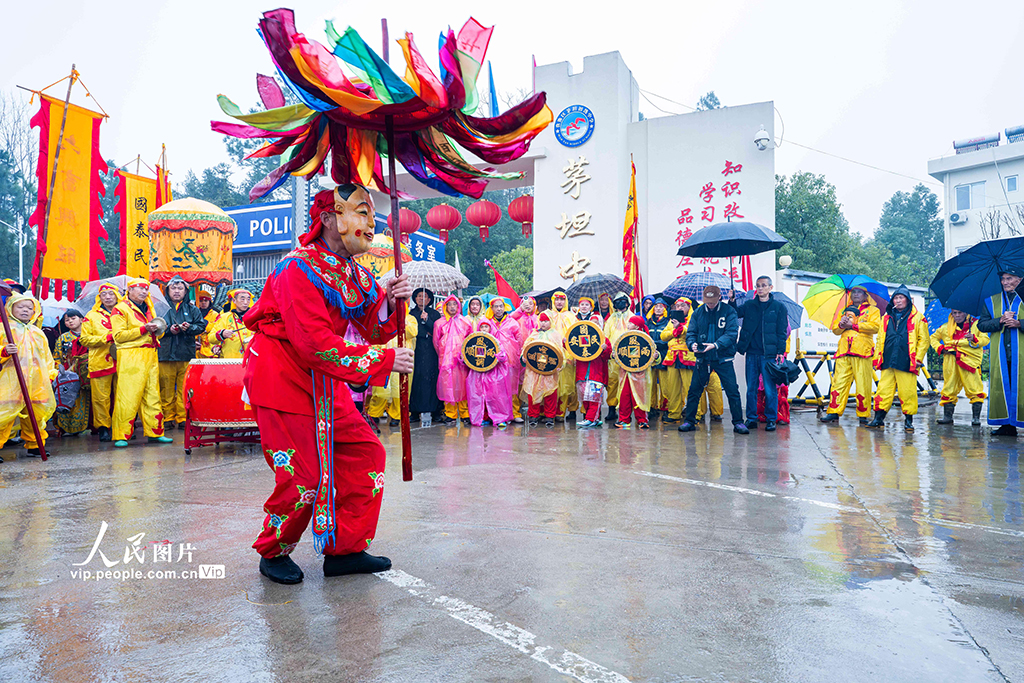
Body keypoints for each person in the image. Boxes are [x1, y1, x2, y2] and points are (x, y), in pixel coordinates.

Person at [242, 183, 414, 585]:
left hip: (323, 381)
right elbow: (314, 344)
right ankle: (274, 549)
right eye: (360, 213)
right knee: (303, 476)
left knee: (365, 454)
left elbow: (373, 328)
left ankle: (345, 549)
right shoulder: (297, 269)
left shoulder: (353, 271)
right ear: (327, 219)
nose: (371, 224)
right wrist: (386, 361)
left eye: (371, 214)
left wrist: (391, 296)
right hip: (282, 374)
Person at [110, 278, 175, 447]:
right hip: (131, 355)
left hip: (150, 354)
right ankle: (121, 435)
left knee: (152, 395)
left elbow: (155, 334)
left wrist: (159, 330)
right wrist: (143, 329)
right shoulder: (120, 309)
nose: (144, 292)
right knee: (128, 396)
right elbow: (118, 337)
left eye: (146, 289)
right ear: (129, 290)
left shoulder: (149, 309)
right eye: (139, 288)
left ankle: (155, 432)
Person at [678, 286, 748, 434]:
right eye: (707, 301)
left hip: (723, 358)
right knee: (694, 390)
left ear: (720, 298)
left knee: (732, 390)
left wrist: (716, 345)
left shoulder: (729, 311)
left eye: (712, 301)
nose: (710, 304)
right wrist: (692, 344)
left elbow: (731, 334)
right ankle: (690, 421)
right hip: (703, 358)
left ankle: (738, 422)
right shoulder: (698, 312)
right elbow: (691, 332)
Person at [0, 293, 56, 457]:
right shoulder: (3, 330)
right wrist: (4, 352)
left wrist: (50, 375)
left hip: (37, 382)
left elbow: (47, 357)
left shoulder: (38, 332)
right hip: (11, 381)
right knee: (4, 415)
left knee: (36, 417)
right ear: (11, 308)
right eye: (20, 307)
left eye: (29, 308)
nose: (25, 310)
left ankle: (35, 444)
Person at [729, 276, 788, 432]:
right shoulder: (749, 305)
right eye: (758, 286)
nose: (760, 288)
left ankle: (771, 419)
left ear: (770, 287)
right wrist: (732, 300)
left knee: (770, 389)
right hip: (752, 353)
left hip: (769, 355)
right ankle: (752, 419)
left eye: (763, 285)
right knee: (751, 388)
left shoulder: (779, 307)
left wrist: (780, 351)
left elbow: (782, 332)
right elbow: (734, 313)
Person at [868, 286, 929, 431]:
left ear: (908, 300)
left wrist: (918, 359)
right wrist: (877, 358)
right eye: (896, 298)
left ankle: (908, 421)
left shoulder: (918, 317)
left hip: (907, 360)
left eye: (901, 298)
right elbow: (880, 339)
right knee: (883, 390)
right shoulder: (886, 317)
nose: (898, 300)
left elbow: (924, 340)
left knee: (908, 392)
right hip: (888, 359)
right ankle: (878, 419)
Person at [820, 286, 881, 425]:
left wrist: (854, 325)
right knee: (838, 383)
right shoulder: (844, 311)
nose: (856, 295)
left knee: (863, 384)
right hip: (843, 351)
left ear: (865, 296)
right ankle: (833, 412)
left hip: (863, 351)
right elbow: (835, 329)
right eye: (853, 292)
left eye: (859, 292)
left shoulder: (873, 310)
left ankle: (863, 415)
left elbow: (876, 327)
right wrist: (842, 325)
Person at [158, 276, 208, 431]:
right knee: (165, 387)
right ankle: (167, 417)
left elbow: (200, 326)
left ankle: (182, 417)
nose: (177, 291)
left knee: (184, 387)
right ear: (168, 290)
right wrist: (168, 330)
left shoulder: (192, 309)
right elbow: (154, 325)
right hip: (165, 353)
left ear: (186, 291)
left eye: (180, 288)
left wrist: (189, 328)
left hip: (186, 352)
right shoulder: (160, 307)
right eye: (173, 288)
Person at [977, 271, 1024, 436]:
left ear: (1020, 279)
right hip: (1001, 354)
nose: (1005, 282)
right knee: (1003, 388)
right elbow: (981, 325)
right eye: (1002, 279)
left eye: (1009, 278)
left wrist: (1020, 323)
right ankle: (1007, 425)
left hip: (1022, 355)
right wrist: (1000, 320)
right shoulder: (991, 301)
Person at [931, 309, 989, 426]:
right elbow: (933, 338)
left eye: (960, 312)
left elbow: (985, 339)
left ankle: (976, 418)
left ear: (966, 313)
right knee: (949, 388)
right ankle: (947, 417)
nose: (957, 315)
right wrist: (940, 348)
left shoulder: (976, 325)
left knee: (974, 388)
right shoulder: (945, 327)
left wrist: (974, 338)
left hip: (969, 361)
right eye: (954, 313)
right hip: (951, 361)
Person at [79, 283, 120, 441]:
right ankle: (103, 427)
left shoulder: (125, 312)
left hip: (124, 360)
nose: (108, 297)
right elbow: (84, 339)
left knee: (122, 395)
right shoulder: (91, 315)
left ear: (117, 295)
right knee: (100, 397)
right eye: (104, 294)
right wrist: (107, 337)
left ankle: (122, 426)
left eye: (111, 293)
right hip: (100, 361)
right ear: (99, 297)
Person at [367, 312, 417, 426]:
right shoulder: (382, 318)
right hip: (384, 357)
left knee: (400, 390)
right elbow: (375, 336)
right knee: (380, 389)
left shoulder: (411, 318)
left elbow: (412, 333)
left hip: (402, 359)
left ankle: (396, 415)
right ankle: (374, 413)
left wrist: (402, 320)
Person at [466, 319, 513, 427]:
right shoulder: (473, 341)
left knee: (496, 397)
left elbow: (504, 356)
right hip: (477, 374)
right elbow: (467, 354)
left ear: (491, 328)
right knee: (479, 397)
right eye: (481, 327)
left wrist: (500, 356)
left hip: (493, 374)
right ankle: (482, 417)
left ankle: (499, 418)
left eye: (486, 327)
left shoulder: (496, 342)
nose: (484, 329)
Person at [573, 297, 612, 428]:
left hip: (597, 374)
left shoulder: (604, 339)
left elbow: (608, 355)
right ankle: (593, 419)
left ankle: (591, 418)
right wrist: (565, 342)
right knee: (585, 397)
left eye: (597, 323)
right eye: (592, 322)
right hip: (582, 373)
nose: (594, 325)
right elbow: (574, 349)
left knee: (595, 398)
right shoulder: (582, 337)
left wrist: (604, 350)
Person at [434, 295, 471, 425]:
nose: (452, 307)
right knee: (448, 386)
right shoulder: (439, 323)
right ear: (445, 306)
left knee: (463, 387)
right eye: (449, 304)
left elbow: (470, 341)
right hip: (446, 361)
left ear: (458, 306)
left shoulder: (465, 322)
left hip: (462, 361)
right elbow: (436, 343)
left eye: (454, 304)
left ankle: (465, 413)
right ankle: (450, 414)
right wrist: (444, 356)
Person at [522, 312, 563, 427]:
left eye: (546, 321)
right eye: (541, 321)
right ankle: (533, 415)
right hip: (534, 369)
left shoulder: (555, 335)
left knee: (550, 392)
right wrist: (524, 357)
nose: (543, 323)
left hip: (550, 369)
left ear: (550, 321)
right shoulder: (534, 334)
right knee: (533, 391)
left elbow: (560, 351)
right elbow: (526, 347)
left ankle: (550, 416)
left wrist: (560, 364)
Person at [658, 298, 696, 424]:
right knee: (672, 388)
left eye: (682, 306)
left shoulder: (694, 319)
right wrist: (675, 330)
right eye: (677, 306)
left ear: (688, 307)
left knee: (691, 388)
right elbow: (663, 336)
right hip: (672, 357)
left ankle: (696, 414)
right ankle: (674, 413)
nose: (679, 308)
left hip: (688, 358)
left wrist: (681, 328)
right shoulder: (671, 321)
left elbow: (693, 332)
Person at [53, 309, 90, 436]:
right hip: (68, 373)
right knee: (68, 399)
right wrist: (60, 370)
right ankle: (65, 428)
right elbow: (57, 356)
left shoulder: (89, 334)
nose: (69, 321)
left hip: (86, 371)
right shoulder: (63, 338)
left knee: (87, 399)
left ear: (81, 319)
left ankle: (89, 426)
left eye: (72, 318)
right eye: (67, 320)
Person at [487, 297, 525, 422]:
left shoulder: (512, 322)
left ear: (504, 308)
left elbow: (520, 341)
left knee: (512, 387)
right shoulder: (487, 323)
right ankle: (498, 414)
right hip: (493, 361)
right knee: (495, 388)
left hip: (510, 360)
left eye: (500, 306)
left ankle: (515, 413)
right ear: (491, 308)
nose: (498, 309)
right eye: (496, 306)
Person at [408, 288, 442, 420]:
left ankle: (436, 411)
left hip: (431, 351)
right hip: (416, 349)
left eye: (425, 297)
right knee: (416, 378)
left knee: (431, 378)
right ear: (415, 299)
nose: (422, 299)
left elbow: (438, 331)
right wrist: (423, 334)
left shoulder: (434, 314)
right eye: (419, 296)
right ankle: (414, 411)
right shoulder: (410, 314)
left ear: (429, 300)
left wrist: (427, 320)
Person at [616, 315, 653, 429]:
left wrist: (655, 356)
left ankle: (642, 420)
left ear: (636, 326)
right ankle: (624, 419)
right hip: (626, 373)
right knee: (624, 396)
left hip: (640, 374)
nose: (628, 325)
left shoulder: (646, 339)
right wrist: (615, 355)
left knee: (639, 397)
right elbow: (618, 351)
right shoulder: (624, 337)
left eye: (631, 323)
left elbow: (654, 355)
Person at [549, 289, 579, 420]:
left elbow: (577, 336)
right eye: (557, 299)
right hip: (551, 354)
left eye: (562, 299)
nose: (559, 302)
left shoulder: (571, 317)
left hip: (568, 356)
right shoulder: (547, 315)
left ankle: (561, 412)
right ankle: (550, 412)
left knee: (567, 384)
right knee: (551, 383)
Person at [603, 293, 631, 427]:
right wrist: (609, 351)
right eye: (617, 301)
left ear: (627, 303)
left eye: (623, 301)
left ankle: (625, 411)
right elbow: (606, 336)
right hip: (613, 357)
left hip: (627, 357)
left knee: (625, 384)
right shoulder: (611, 319)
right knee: (612, 383)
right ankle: (612, 408)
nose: (620, 304)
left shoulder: (632, 317)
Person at [206, 289, 254, 358]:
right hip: (229, 361)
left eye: (248, 299)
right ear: (234, 300)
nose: (246, 302)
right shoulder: (224, 317)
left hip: (251, 361)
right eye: (242, 299)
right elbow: (211, 338)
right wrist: (222, 334)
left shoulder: (255, 319)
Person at [646, 297, 671, 419]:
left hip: (664, 355)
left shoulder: (668, 322)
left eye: (661, 306)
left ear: (665, 309)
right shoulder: (648, 322)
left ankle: (666, 407)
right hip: (650, 357)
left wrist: (655, 344)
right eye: (656, 306)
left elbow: (668, 339)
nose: (658, 308)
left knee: (665, 384)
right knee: (650, 383)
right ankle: (651, 407)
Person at [195, 290, 220, 359]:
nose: (203, 303)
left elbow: (217, 328)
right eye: (200, 301)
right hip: (196, 350)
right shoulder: (194, 314)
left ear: (209, 302)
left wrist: (206, 324)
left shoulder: (216, 314)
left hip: (211, 350)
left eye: (206, 301)